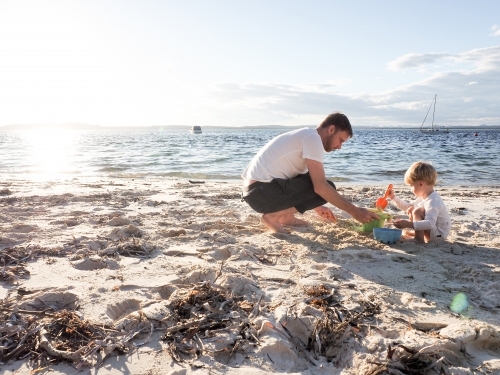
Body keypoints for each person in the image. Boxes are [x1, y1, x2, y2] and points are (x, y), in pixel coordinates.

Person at [241, 112, 380, 233]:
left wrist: (317, 206)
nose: (339, 147)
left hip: (255, 191)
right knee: (327, 187)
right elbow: (320, 187)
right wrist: (355, 212)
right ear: (331, 129)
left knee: (310, 178)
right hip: (260, 193)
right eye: (340, 140)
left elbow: (303, 180)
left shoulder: (306, 135)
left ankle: (286, 217)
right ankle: (273, 216)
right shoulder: (313, 139)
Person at [388, 161, 451, 243]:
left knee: (417, 211)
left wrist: (407, 224)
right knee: (411, 209)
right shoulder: (423, 197)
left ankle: (418, 239)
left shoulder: (433, 200)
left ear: (420, 184)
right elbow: (407, 207)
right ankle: (419, 235)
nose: (410, 189)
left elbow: (430, 223)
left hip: (439, 235)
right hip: (433, 232)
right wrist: (393, 197)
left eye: (411, 185)